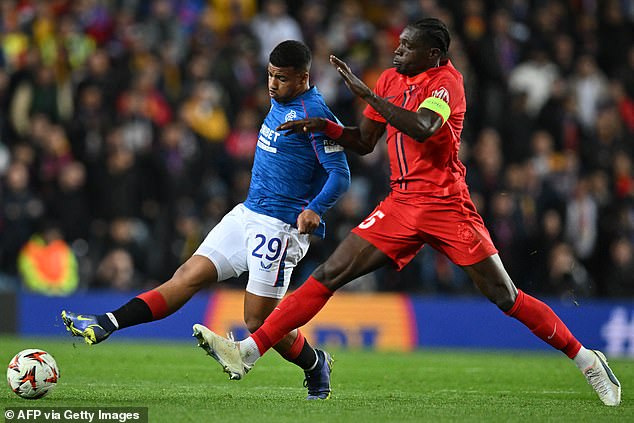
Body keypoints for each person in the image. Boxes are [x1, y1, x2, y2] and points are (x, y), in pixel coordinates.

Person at [194, 18, 622, 407]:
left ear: (432, 54)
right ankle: (247, 352)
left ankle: (586, 359)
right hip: (400, 203)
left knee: (504, 296)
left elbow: (424, 127)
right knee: (328, 275)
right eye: (397, 45)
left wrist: (366, 94)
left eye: (406, 47)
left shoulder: (447, 83)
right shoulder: (390, 79)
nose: (397, 52)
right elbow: (363, 141)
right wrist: (325, 127)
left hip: (446, 205)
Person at [61, 40, 351, 401]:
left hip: (279, 228)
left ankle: (315, 363)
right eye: (270, 76)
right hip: (246, 214)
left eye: (282, 79)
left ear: (303, 78)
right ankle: (108, 322)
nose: (273, 85)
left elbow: (340, 175)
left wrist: (315, 209)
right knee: (187, 275)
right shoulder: (281, 101)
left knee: (258, 322)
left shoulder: (315, 115)